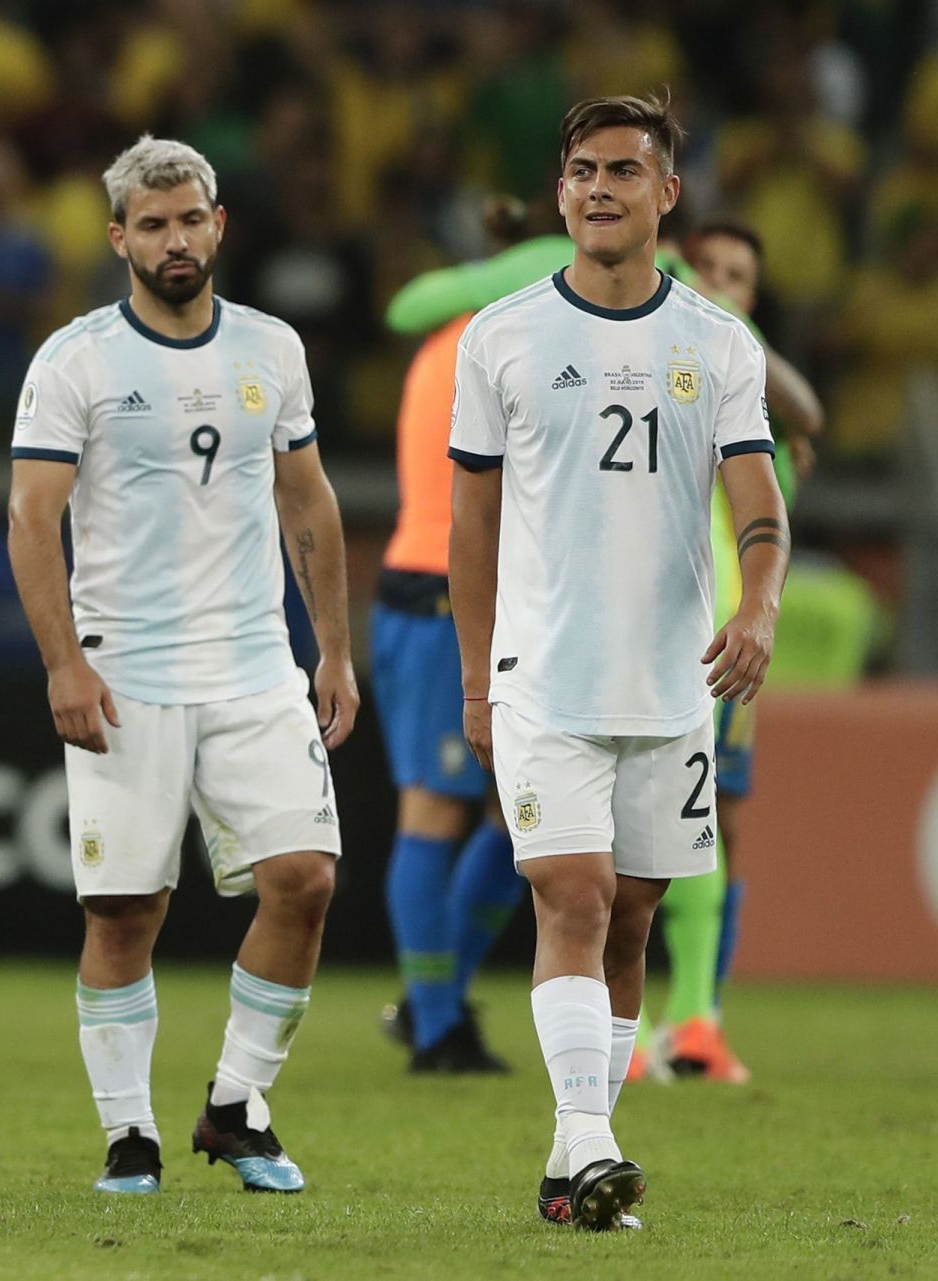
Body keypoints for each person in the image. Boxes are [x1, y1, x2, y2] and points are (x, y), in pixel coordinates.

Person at [447, 94, 789, 1231]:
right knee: (577, 897)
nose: (600, 187)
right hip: (543, 675)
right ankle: (589, 1141)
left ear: (666, 196)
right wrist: (473, 677)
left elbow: (760, 511)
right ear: (560, 194)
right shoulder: (499, 337)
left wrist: (763, 609)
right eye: (583, 170)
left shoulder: (716, 344)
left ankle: (570, 1164)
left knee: (635, 912)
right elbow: (472, 528)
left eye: (625, 172)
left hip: (671, 682)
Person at [7, 135, 356, 1197]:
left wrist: (332, 645)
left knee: (306, 881)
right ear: (119, 239)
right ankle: (130, 1136)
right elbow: (32, 518)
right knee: (126, 911)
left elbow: (308, 500)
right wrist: (63, 663)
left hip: (254, 663)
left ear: (218, 226)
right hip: (127, 669)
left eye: (188, 219)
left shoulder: (270, 350)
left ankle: (237, 1109)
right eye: (150, 225)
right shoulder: (77, 360)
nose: (173, 239)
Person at [641, 221, 824, 1084]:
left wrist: (721, 321)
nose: (713, 282)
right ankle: (633, 1029)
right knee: (623, 829)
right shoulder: (637, 348)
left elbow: (801, 430)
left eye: (734, 275)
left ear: (753, 295)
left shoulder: (738, 376)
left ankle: (697, 1021)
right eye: (701, 266)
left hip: (720, 628)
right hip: (637, 624)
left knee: (719, 824)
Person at [369, 198, 531, 1076]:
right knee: (438, 808)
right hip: (440, 592)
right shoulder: (485, 345)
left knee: (519, 817)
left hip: (473, 593)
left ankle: (433, 1000)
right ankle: (435, 1026)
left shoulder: (463, 340)